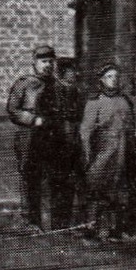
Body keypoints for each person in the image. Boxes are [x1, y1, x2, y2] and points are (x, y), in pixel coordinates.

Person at [6, 44, 68, 231]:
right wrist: (32, 119)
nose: (47, 65)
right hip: (30, 137)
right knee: (30, 178)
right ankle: (30, 222)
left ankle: (57, 224)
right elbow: (12, 109)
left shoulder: (58, 86)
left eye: (50, 61)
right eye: (43, 62)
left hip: (53, 138)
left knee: (56, 179)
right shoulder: (24, 84)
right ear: (35, 63)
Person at [80, 63, 136, 242]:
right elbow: (86, 132)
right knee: (97, 189)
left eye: (115, 76)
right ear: (101, 80)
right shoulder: (94, 103)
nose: (113, 80)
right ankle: (91, 230)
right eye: (109, 77)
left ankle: (117, 230)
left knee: (121, 191)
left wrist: (134, 135)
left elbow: (131, 126)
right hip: (103, 154)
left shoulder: (125, 101)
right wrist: (88, 157)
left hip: (123, 154)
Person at [52, 57, 88, 231]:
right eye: (72, 71)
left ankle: (80, 223)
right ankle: (59, 223)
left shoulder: (78, 92)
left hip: (76, 142)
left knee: (80, 183)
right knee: (61, 183)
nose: (76, 74)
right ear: (63, 73)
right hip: (60, 145)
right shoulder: (55, 91)